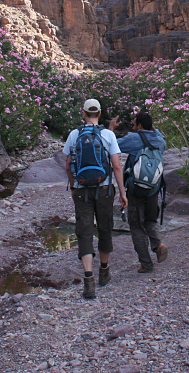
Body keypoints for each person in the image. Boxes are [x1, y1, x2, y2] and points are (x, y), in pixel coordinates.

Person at [64, 98, 127, 299]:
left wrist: (73, 186)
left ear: (83, 113)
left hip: (82, 190)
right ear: (99, 113)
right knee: (105, 227)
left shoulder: (74, 134)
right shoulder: (108, 134)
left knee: (84, 231)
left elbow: (67, 165)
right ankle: (104, 271)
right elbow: (117, 166)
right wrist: (123, 192)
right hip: (104, 189)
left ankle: (88, 279)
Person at [109, 111, 169, 273]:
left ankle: (146, 264)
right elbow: (160, 135)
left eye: (135, 124)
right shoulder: (160, 140)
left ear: (140, 126)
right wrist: (152, 128)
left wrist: (111, 128)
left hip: (135, 189)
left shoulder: (133, 139)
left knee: (136, 225)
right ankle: (158, 244)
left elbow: (110, 144)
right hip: (154, 188)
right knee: (150, 220)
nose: (133, 126)